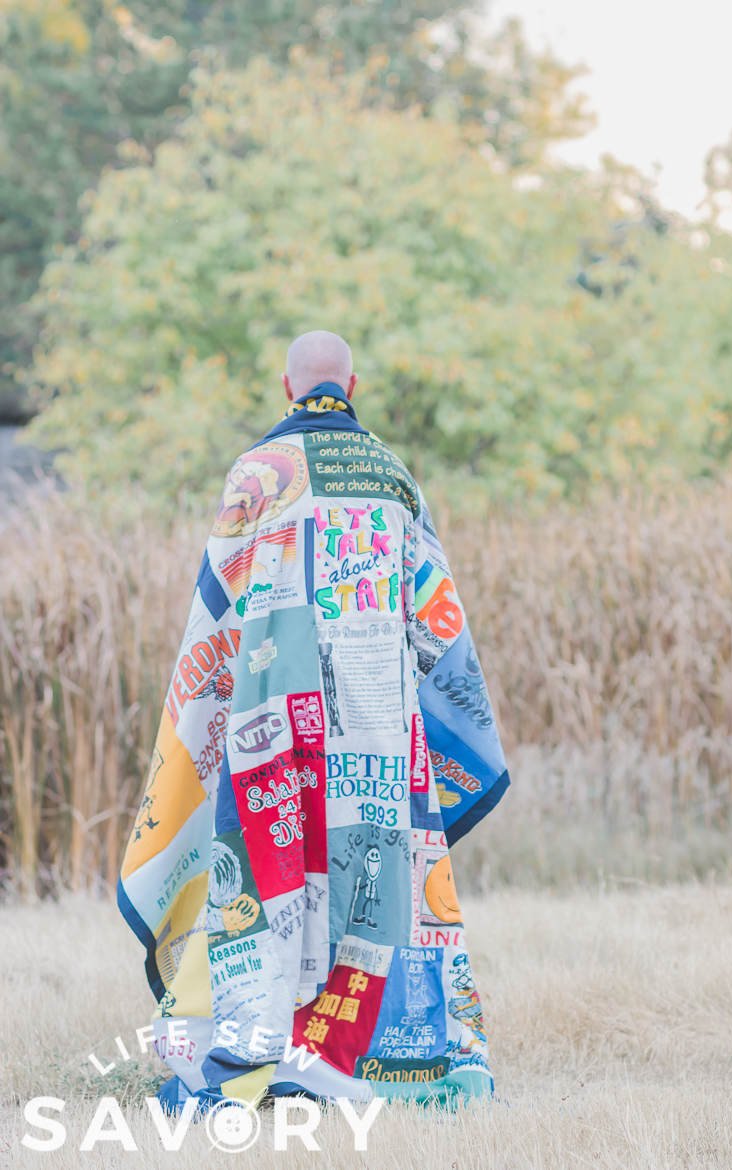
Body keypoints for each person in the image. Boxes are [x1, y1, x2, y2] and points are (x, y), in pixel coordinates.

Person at [118, 330, 510, 1111]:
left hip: (274, 726)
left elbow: (216, 611)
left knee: (265, 877)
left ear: (287, 387)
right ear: (353, 386)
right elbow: (438, 627)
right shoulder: (396, 478)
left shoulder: (256, 475)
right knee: (375, 881)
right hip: (379, 730)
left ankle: (256, 1045)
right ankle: (371, 1053)